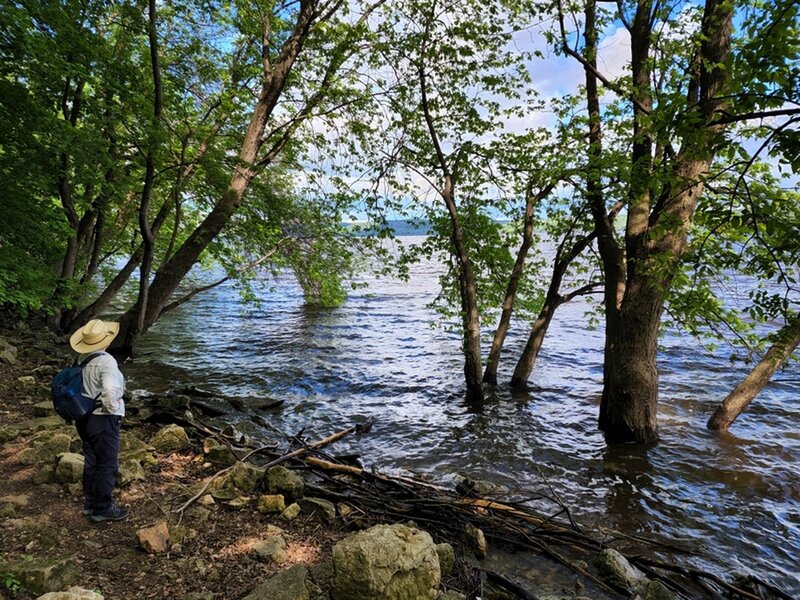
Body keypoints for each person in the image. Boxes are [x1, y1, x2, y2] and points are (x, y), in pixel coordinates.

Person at [69, 318, 129, 523]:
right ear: (106, 341)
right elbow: (111, 390)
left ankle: (91, 503)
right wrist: (112, 410)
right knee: (107, 462)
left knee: (92, 460)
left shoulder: (82, 358)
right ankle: (103, 508)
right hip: (102, 418)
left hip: (83, 417)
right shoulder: (106, 361)